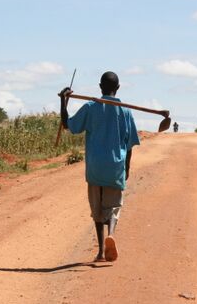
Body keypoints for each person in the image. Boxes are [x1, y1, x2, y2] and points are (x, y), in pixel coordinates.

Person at [59, 71, 140, 262]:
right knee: (113, 207)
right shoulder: (126, 111)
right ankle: (111, 234)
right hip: (116, 167)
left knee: (97, 209)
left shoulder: (91, 107)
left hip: (95, 167)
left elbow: (68, 124)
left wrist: (63, 100)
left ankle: (101, 251)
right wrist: (127, 168)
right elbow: (129, 145)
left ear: (100, 87)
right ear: (117, 88)